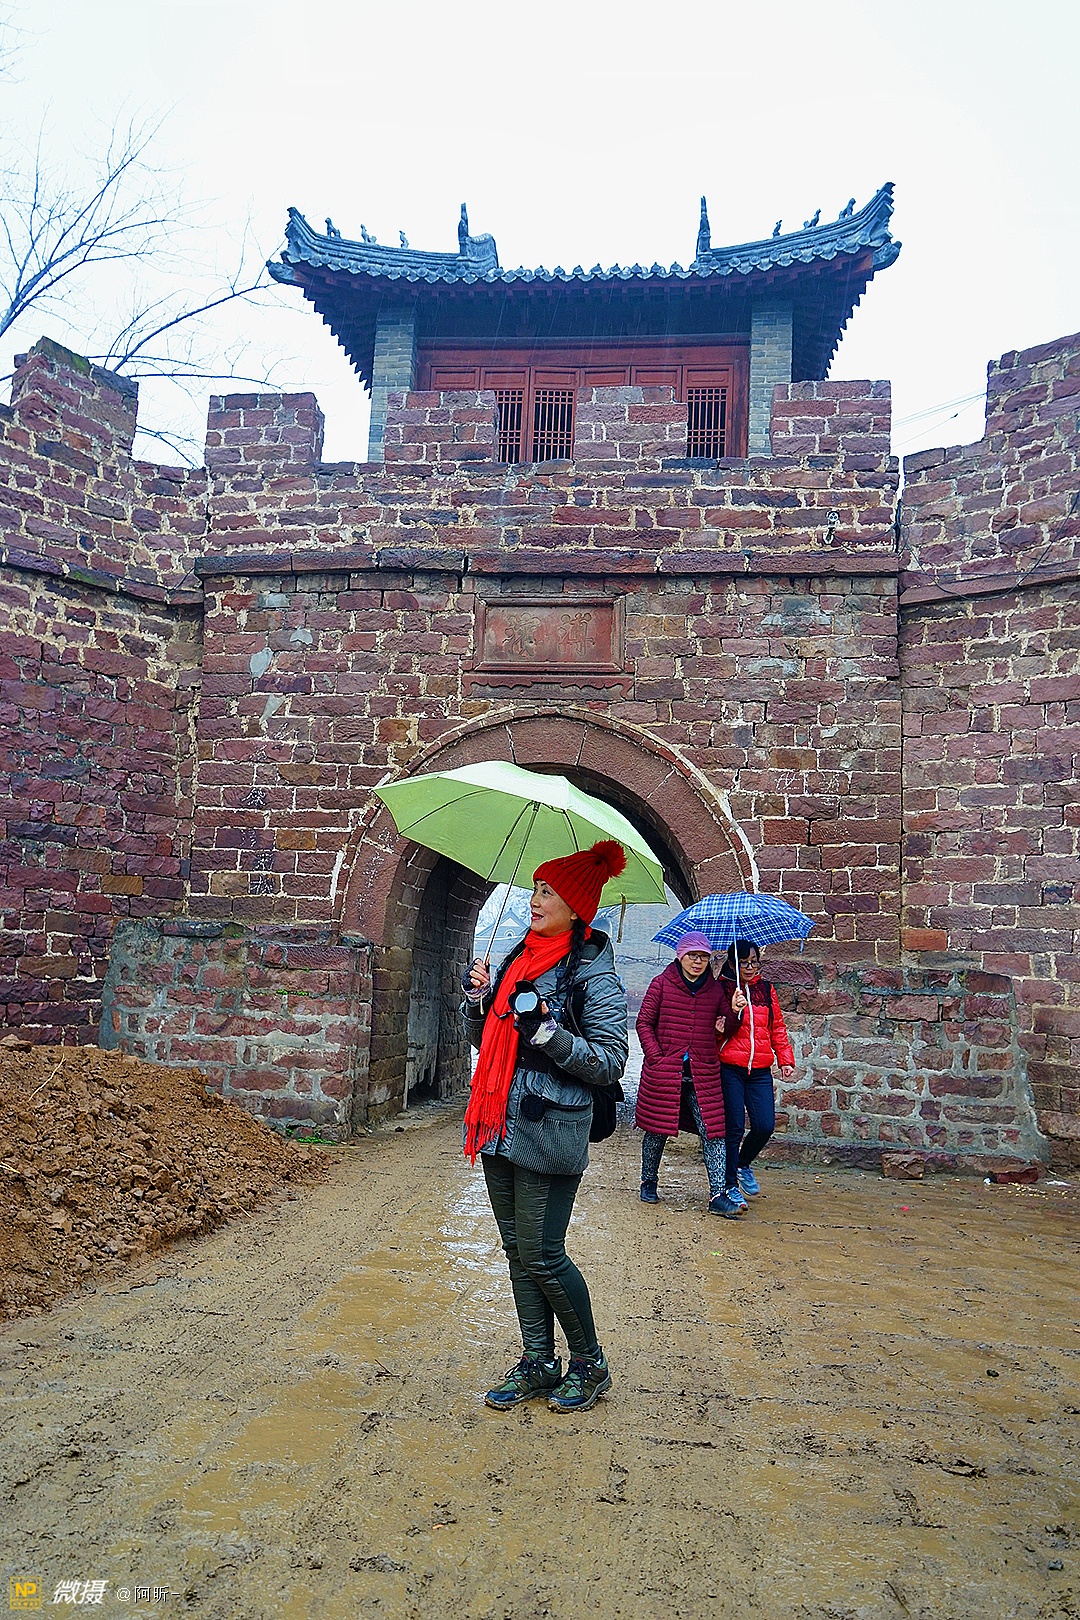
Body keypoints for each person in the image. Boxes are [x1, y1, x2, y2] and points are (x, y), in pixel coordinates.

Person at [462, 839, 629, 1414]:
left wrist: (549, 1033)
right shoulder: (517, 958)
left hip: (550, 1127)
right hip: (497, 1117)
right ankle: (538, 1361)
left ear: (575, 907)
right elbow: (486, 1040)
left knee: (542, 1252)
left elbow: (610, 1061)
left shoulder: (593, 974)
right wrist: (480, 1002)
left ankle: (589, 1363)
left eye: (548, 892)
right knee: (516, 1250)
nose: (535, 900)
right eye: (535, 889)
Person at [634, 932, 742, 1218]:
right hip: (665, 1071)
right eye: (693, 955)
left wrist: (735, 1011)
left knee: (713, 1131)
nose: (698, 961)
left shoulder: (715, 991)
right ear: (680, 956)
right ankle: (648, 1181)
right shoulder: (661, 984)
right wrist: (656, 1057)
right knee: (657, 1129)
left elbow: (727, 1028)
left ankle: (717, 1194)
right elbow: (644, 1023)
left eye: (704, 956)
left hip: (703, 1073)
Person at [715, 939, 795, 1209]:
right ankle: (729, 1186)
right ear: (732, 964)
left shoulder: (766, 989)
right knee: (734, 1128)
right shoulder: (721, 989)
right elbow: (715, 1031)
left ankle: (742, 1163)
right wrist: (733, 1010)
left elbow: (777, 1026)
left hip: (759, 1069)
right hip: (730, 1067)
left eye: (754, 962)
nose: (750, 968)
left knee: (764, 1125)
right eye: (744, 963)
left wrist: (785, 1059)